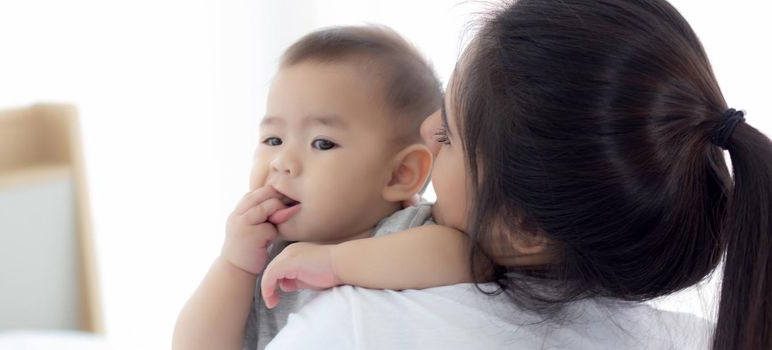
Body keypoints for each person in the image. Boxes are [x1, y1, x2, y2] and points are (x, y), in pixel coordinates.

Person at [260, 0, 772, 349]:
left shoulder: (354, 327)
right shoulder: (702, 337)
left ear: (523, 228)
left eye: (449, 138)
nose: (425, 128)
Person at [173, 26, 481, 350]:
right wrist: (233, 265)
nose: (282, 161)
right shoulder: (266, 257)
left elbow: (465, 256)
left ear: (399, 175)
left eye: (321, 143)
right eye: (273, 140)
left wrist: (333, 262)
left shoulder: (407, 230)